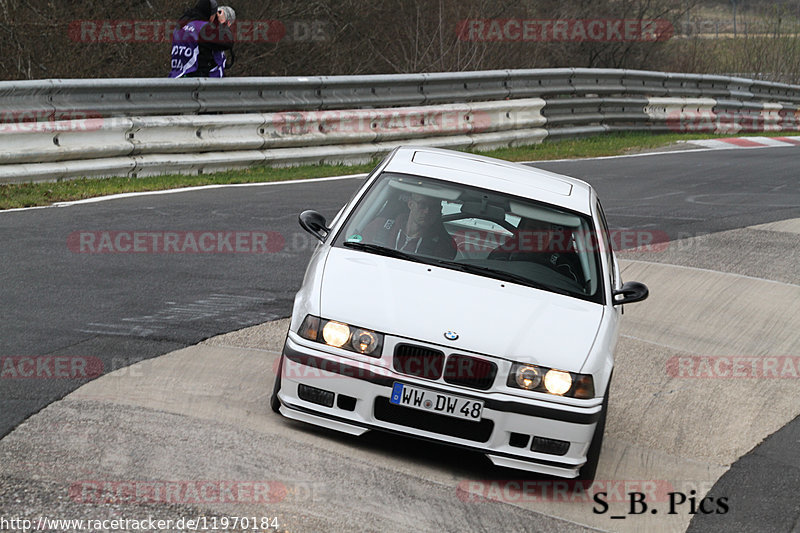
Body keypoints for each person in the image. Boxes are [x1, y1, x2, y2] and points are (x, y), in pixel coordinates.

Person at [362, 193, 457, 260]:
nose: (427, 211)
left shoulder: (443, 245)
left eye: (434, 207)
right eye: (422, 205)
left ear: (439, 210)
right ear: (410, 204)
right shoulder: (379, 226)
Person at [169, 1, 236, 78]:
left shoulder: (181, 26)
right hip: (199, 78)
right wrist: (222, 23)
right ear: (210, 13)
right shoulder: (202, 28)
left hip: (178, 75)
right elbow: (227, 41)